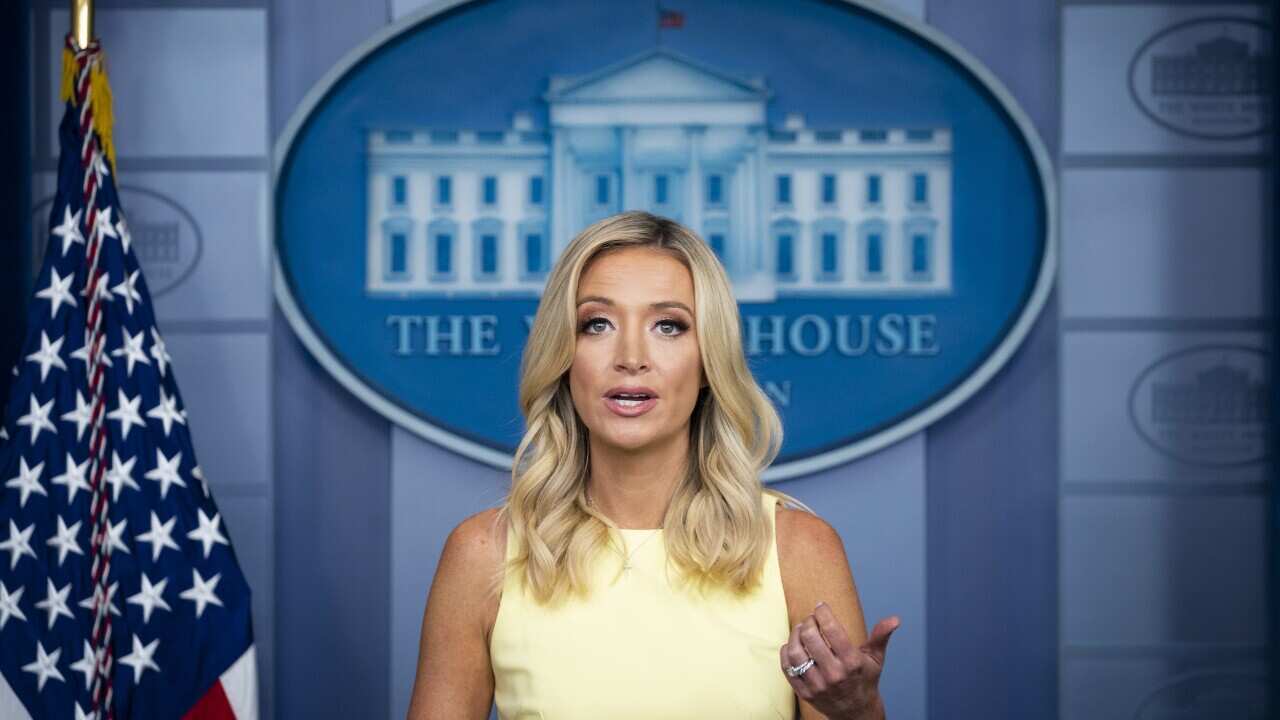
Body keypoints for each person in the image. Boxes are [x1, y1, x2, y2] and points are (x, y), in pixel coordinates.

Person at [405, 210, 900, 719]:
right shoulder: (482, 554)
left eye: (668, 325)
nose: (631, 356)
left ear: (710, 361)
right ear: (563, 355)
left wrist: (856, 713)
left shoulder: (799, 549)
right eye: (597, 324)